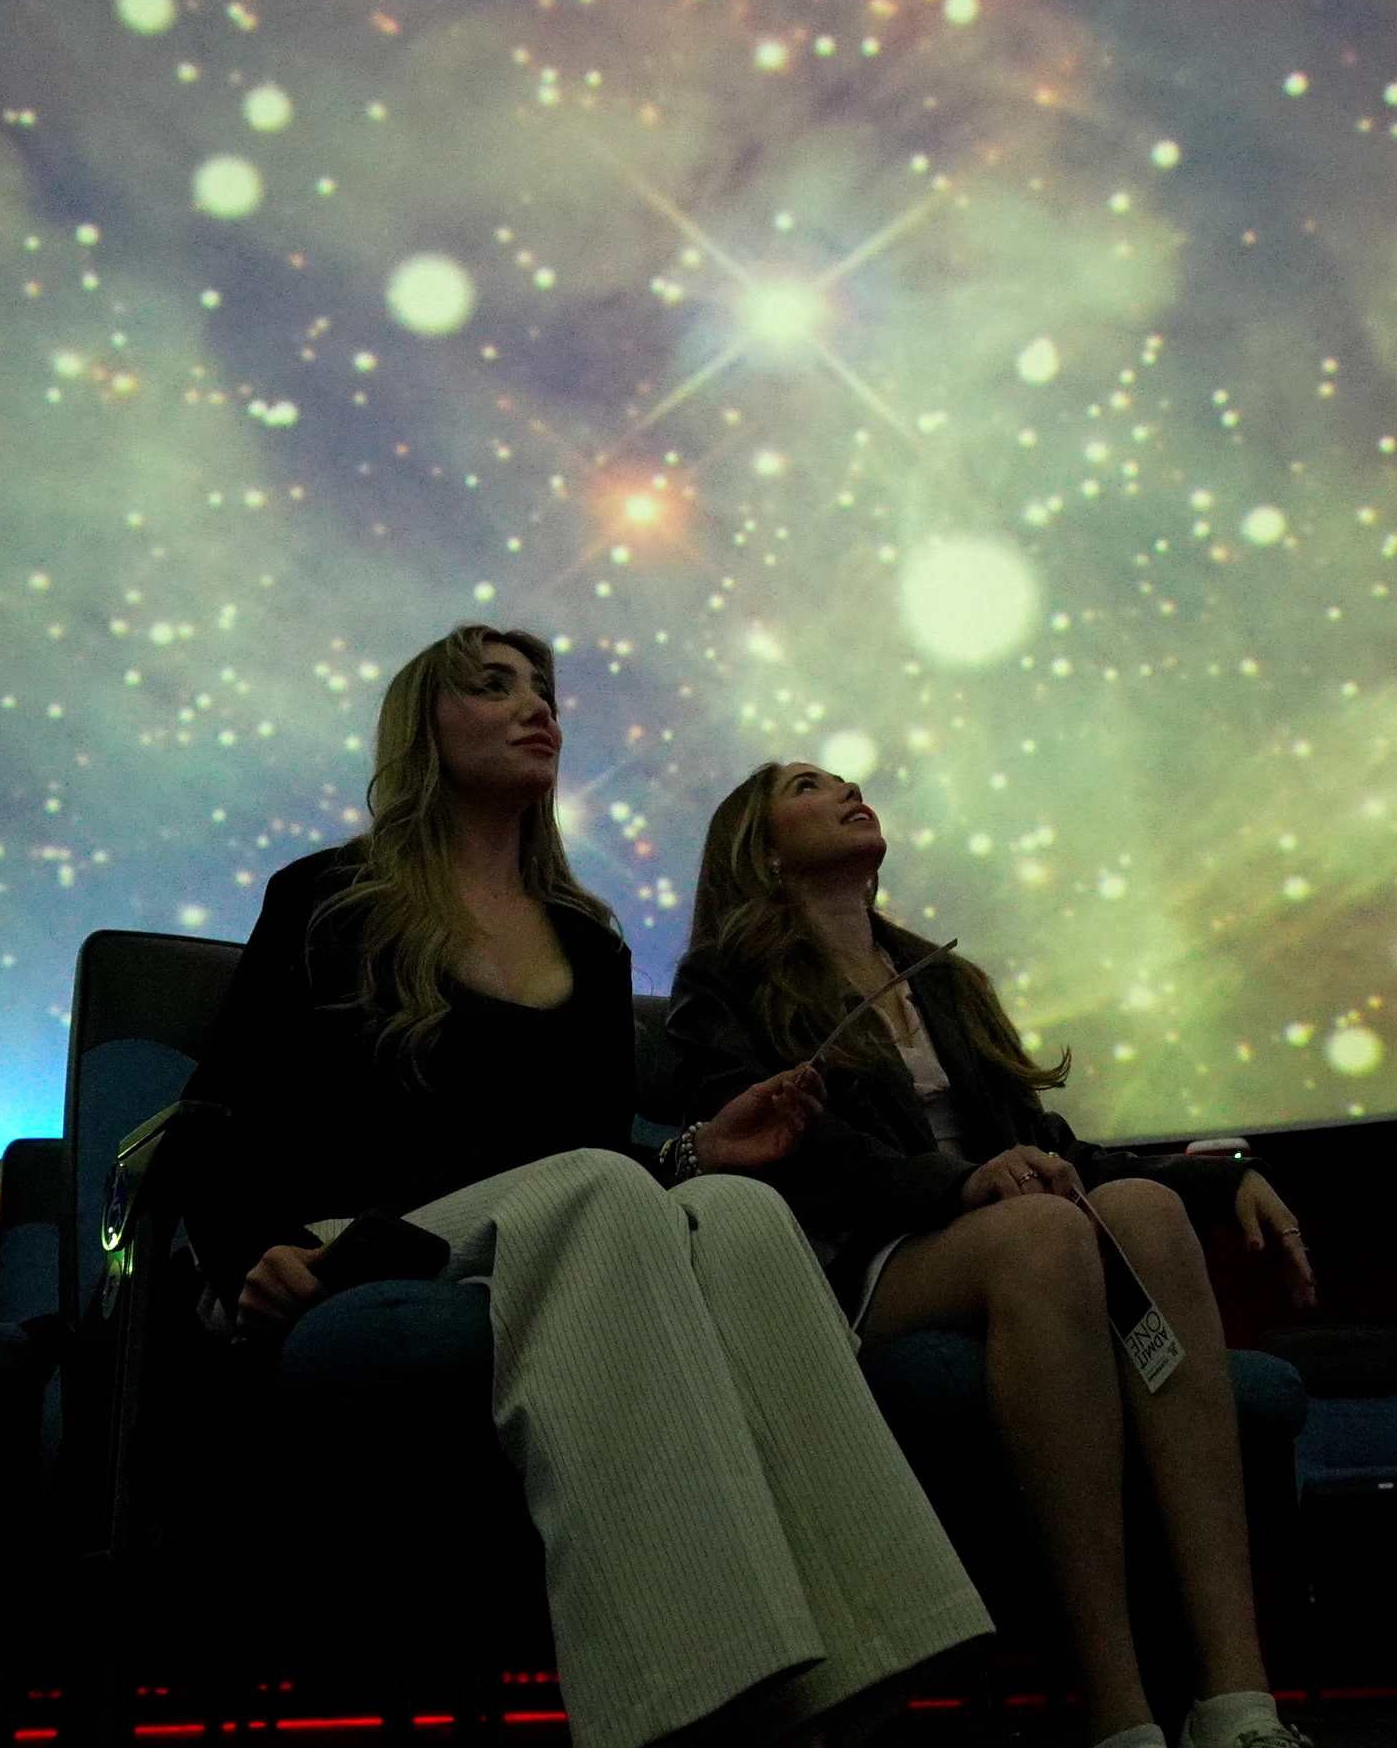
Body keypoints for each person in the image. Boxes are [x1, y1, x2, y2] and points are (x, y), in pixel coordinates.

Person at [169, 628, 989, 1748]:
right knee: (600, 1197)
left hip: (547, 1225)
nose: (534, 707)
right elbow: (216, 1117)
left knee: (743, 1215)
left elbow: (587, 1160)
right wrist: (245, 1254)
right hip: (360, 1239)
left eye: (543, 692)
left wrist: (701, 1153)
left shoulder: (589, 945)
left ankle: (867, 1670)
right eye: (493, 687)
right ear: (425, 725)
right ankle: (696, 1705)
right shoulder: (326, 896)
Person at [658, 761, 1321, 1748]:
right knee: (1047, 1233)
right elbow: (783, 1153)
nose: (848, 789)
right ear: (759, 844)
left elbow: (1049, 1146)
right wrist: (956, 1186)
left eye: (847, 779)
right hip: (864, 1263)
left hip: (1015, 1238)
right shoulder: (727, 983)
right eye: (808, 785)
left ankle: (1237, 1704)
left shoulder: (945, 980)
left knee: (1139, 1210)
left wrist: (1215, 1177)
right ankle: (1117, 1715)